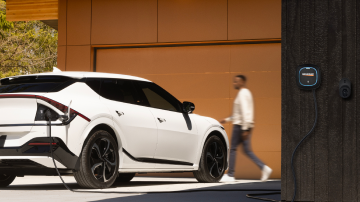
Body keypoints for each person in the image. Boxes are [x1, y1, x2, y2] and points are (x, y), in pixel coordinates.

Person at [220, 75, 272, 182]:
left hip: (240, 126)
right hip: (244, 125)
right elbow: (239, 114)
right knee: (247, 151)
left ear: (242, 82)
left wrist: (245, 129)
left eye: (236, 82)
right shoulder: (245, 93)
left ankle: (230, 175)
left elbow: (245, 112)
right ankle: (264, 168)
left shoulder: (243, 94)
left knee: (233, 148)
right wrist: (227, 119)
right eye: (234, 82)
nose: (234, 83)